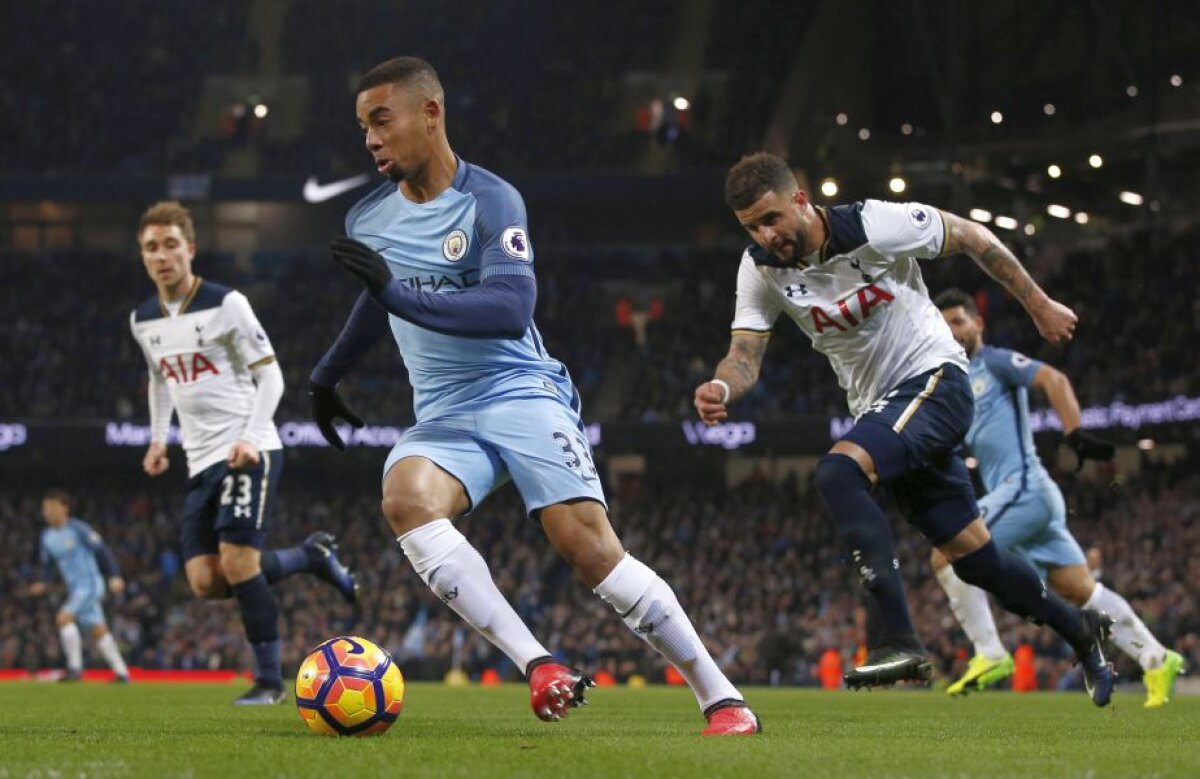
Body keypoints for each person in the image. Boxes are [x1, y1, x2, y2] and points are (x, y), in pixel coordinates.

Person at [308, 56, 759, 735]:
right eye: (363, 127)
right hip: (444, 412)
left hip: (520, 389)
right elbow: (379, 300)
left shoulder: (492, 200)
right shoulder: (368, 217)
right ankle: (540, 665)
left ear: (430, 113)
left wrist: (396, 292)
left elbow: (509, 307)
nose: (370, 139)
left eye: (381, 120)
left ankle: (722, 697)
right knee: (405, 498)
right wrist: (326, 375)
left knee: (587, 547)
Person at [693, 152, 1114, 705]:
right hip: (883, 408)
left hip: (936, 378)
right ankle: (1081, 631)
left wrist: (1037, 305)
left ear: (800, 199)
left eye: (771, 218)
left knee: (838, 473)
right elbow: (745, 355)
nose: (766, 235)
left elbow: (970, 235)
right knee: (977, 561)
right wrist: (721, 386)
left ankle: (897, 638)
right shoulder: (760, 269)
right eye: (752, 227)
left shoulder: (872, 224)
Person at [129, 201, 359, 705]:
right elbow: (159, 380)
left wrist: (251, 437)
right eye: (151, 248)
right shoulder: (142, 319)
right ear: (142, 256)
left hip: (248, 450)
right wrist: (157, 439)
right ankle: (310, 556)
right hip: (199, 460)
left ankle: (270, 682)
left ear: (190, 249)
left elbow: (271, 375)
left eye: (171, 245)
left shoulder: (226, 303)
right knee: (205, 582)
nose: (162, 255)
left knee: (237, 563)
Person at [932, 288, 1185, 707]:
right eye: (945, 326)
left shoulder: (994, 362)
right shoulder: (955, 382)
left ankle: (989, 652)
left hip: (1023, 489)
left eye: (958, 321)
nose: (953, 332)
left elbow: (1054, 379)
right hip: (1028, 497)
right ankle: (1157, 658)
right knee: (1080, 589)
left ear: (978, 323)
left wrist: (1075, 435)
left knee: (947, 552)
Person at [29, 490, 131, 682]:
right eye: (45, 508)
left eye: (51, 507)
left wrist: (114, 575)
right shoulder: (47, 536)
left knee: (63, 618)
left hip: (90, 584)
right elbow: (47, 565)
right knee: (99, 630)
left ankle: (74, 669)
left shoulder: (79, 529)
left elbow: (102, 551)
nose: (47, 512)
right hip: (75, 589)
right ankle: (122, 673)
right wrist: (43, 582)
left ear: (65, 508)